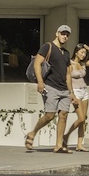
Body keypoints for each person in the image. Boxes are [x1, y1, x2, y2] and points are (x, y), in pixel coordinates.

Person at [26, 25, 76, 154]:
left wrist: (71, 92)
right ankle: (32, 133)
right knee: (49, 115)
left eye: (67, 35)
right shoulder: (47, 47)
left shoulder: (66, 53)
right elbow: (37, 63)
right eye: (63, 33)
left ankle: (58, 145)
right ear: (57, 33)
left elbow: (68, 74)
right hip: (50, 86)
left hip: (64, 89)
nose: (65, 36)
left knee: (63, 115)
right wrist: (40, 82)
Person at [66, 44, 89, 151]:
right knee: (80, 118)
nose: (83, 55)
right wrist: (70, 92)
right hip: (75, 91)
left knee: (84, 118)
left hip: (84, 91)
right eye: (81, 52)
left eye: (84, 53)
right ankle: (66, 136)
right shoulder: (70, 64)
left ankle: (79, 144)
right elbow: (67, 79)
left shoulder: (83, 64)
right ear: (76, 52)